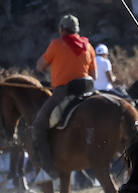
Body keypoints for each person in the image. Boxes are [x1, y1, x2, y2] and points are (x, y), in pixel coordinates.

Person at [33, 13, 96, 175]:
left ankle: (48, 169)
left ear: (62, 30)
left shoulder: (56, 44)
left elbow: (40, 66)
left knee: (39, 125)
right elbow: (94, 75)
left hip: (64, 91)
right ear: (77, 30)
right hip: (88, 89)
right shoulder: (88, 46)